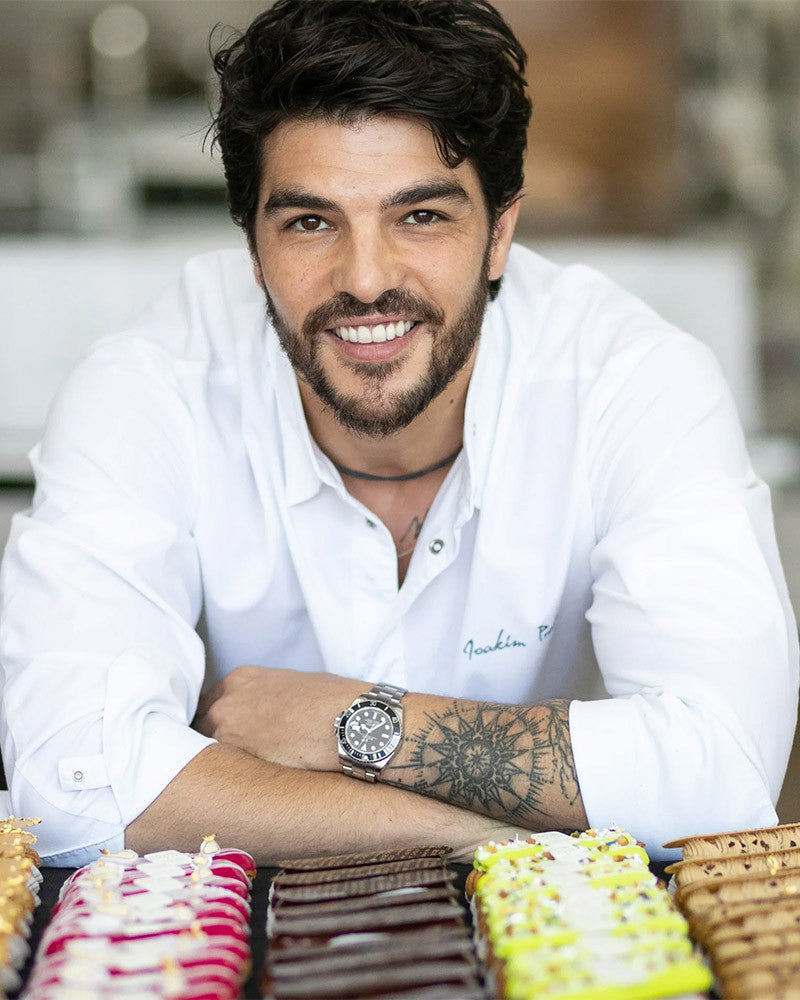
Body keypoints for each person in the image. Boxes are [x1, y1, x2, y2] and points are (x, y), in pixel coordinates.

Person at [0, 0, 796, 868]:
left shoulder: (631, 381)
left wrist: (349, 723)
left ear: (500, 234)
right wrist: (479, 837)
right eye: (310, 222)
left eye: (421, 217)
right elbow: (72, 781)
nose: (366, 279)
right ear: (252, 247)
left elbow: (725, 771)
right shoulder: (152, 384)